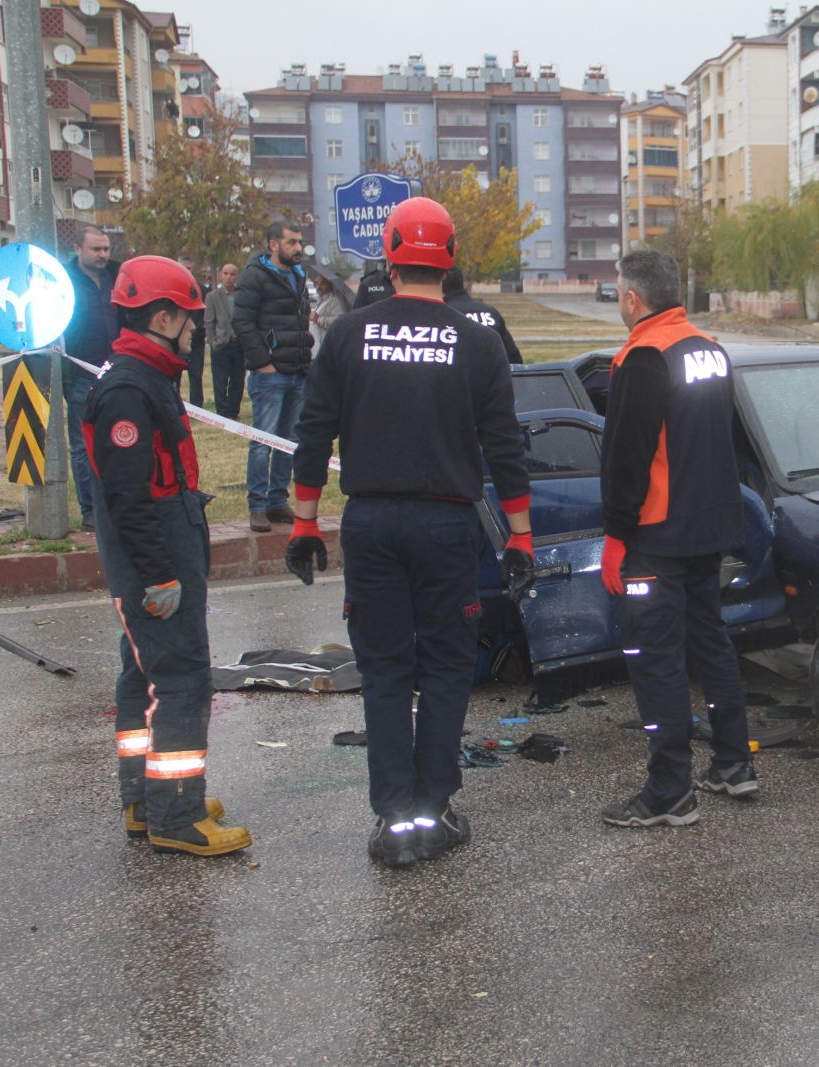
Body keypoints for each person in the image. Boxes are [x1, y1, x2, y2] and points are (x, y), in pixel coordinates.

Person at [286, 197, 533, 867]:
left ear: (389, 257)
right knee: (449, 667)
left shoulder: (346, 335)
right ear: (450, 258)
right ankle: (435, 809)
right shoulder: (477, 341)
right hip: (446, 524)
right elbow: (504, 447)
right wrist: (521, 537)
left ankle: (393, 818)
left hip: (371, 522)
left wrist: (305, 521)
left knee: (388, 669)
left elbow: (312, 434)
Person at [83, 256, 252, 857]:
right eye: (188, 319)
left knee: (142, 674)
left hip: (161, 545)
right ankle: (177, 814)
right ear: (161, 316)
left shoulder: (145, 376)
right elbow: (128, 497)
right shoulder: (129, 390)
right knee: (182, 679)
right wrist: (159, 574)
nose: (194, 330)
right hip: (154, 556)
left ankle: (146, 797)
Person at [598, 249, 754, 829]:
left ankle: (670, 791)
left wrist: (616, 537)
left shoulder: (643, 356)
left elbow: (626, 459)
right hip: (708, 526)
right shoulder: (708, 349)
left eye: (618, 294)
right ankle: (734, 765)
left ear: (634, 299)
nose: (619, 303)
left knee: (655, 660)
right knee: (711, 644)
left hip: (657, 536)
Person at [233, 222, 315, 533]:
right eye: (292, 242)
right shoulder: (254, 276)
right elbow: (241, 322)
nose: (298, 248)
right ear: (273, 244)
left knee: (288, 442)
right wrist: (262, 362)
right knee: (262, 442)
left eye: (300, 242)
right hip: (270, 374)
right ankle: (257, 505)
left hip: (297, 372)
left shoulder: (298, 275)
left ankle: (277, 500)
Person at [62, 224, 122, 532]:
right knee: (83, 446)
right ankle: (90, 509)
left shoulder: (118, 276)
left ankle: (116, 503)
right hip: (80, 375)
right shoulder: (63, 281)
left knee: (119, 441)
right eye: (95, 249)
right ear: (78, 249)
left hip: (117, 374)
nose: (102, 255)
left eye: (106, 249)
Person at [443, 266, 522, 364]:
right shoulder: (490, 312)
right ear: (461, 282)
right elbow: (513, 356)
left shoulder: (443, 315)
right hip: (494, 375)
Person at [205, 263, 244, 418]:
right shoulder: (212, 296)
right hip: (221, 343)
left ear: (237, 276)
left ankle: (233, 410)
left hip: (239, 343)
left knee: (238, 379)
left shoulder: (242, 295)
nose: (229, 277)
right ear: (221, 275)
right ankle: (222, 411)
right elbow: (209, 321)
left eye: (232, 274)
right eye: (226, 273)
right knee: (220, 380)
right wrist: (212, 341)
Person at [176, 255, 207, 407]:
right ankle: (175, 405)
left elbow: (206, 315)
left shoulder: (202, 290)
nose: (186, 271)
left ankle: (198, 408)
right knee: (175, 376)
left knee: (196, 376)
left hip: (196, 341)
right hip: (175, 341)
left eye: (188, 268)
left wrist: (197, 330)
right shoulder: (172, 289)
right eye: (183, 268)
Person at [308, 273, 345, 355]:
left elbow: (339, 321)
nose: (318, 287)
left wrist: (319, 319)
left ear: (330, 284)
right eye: (316, 283)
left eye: (323, 284)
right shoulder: (321, 299)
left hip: (327, 348)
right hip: (317, 348)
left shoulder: (336, 301)